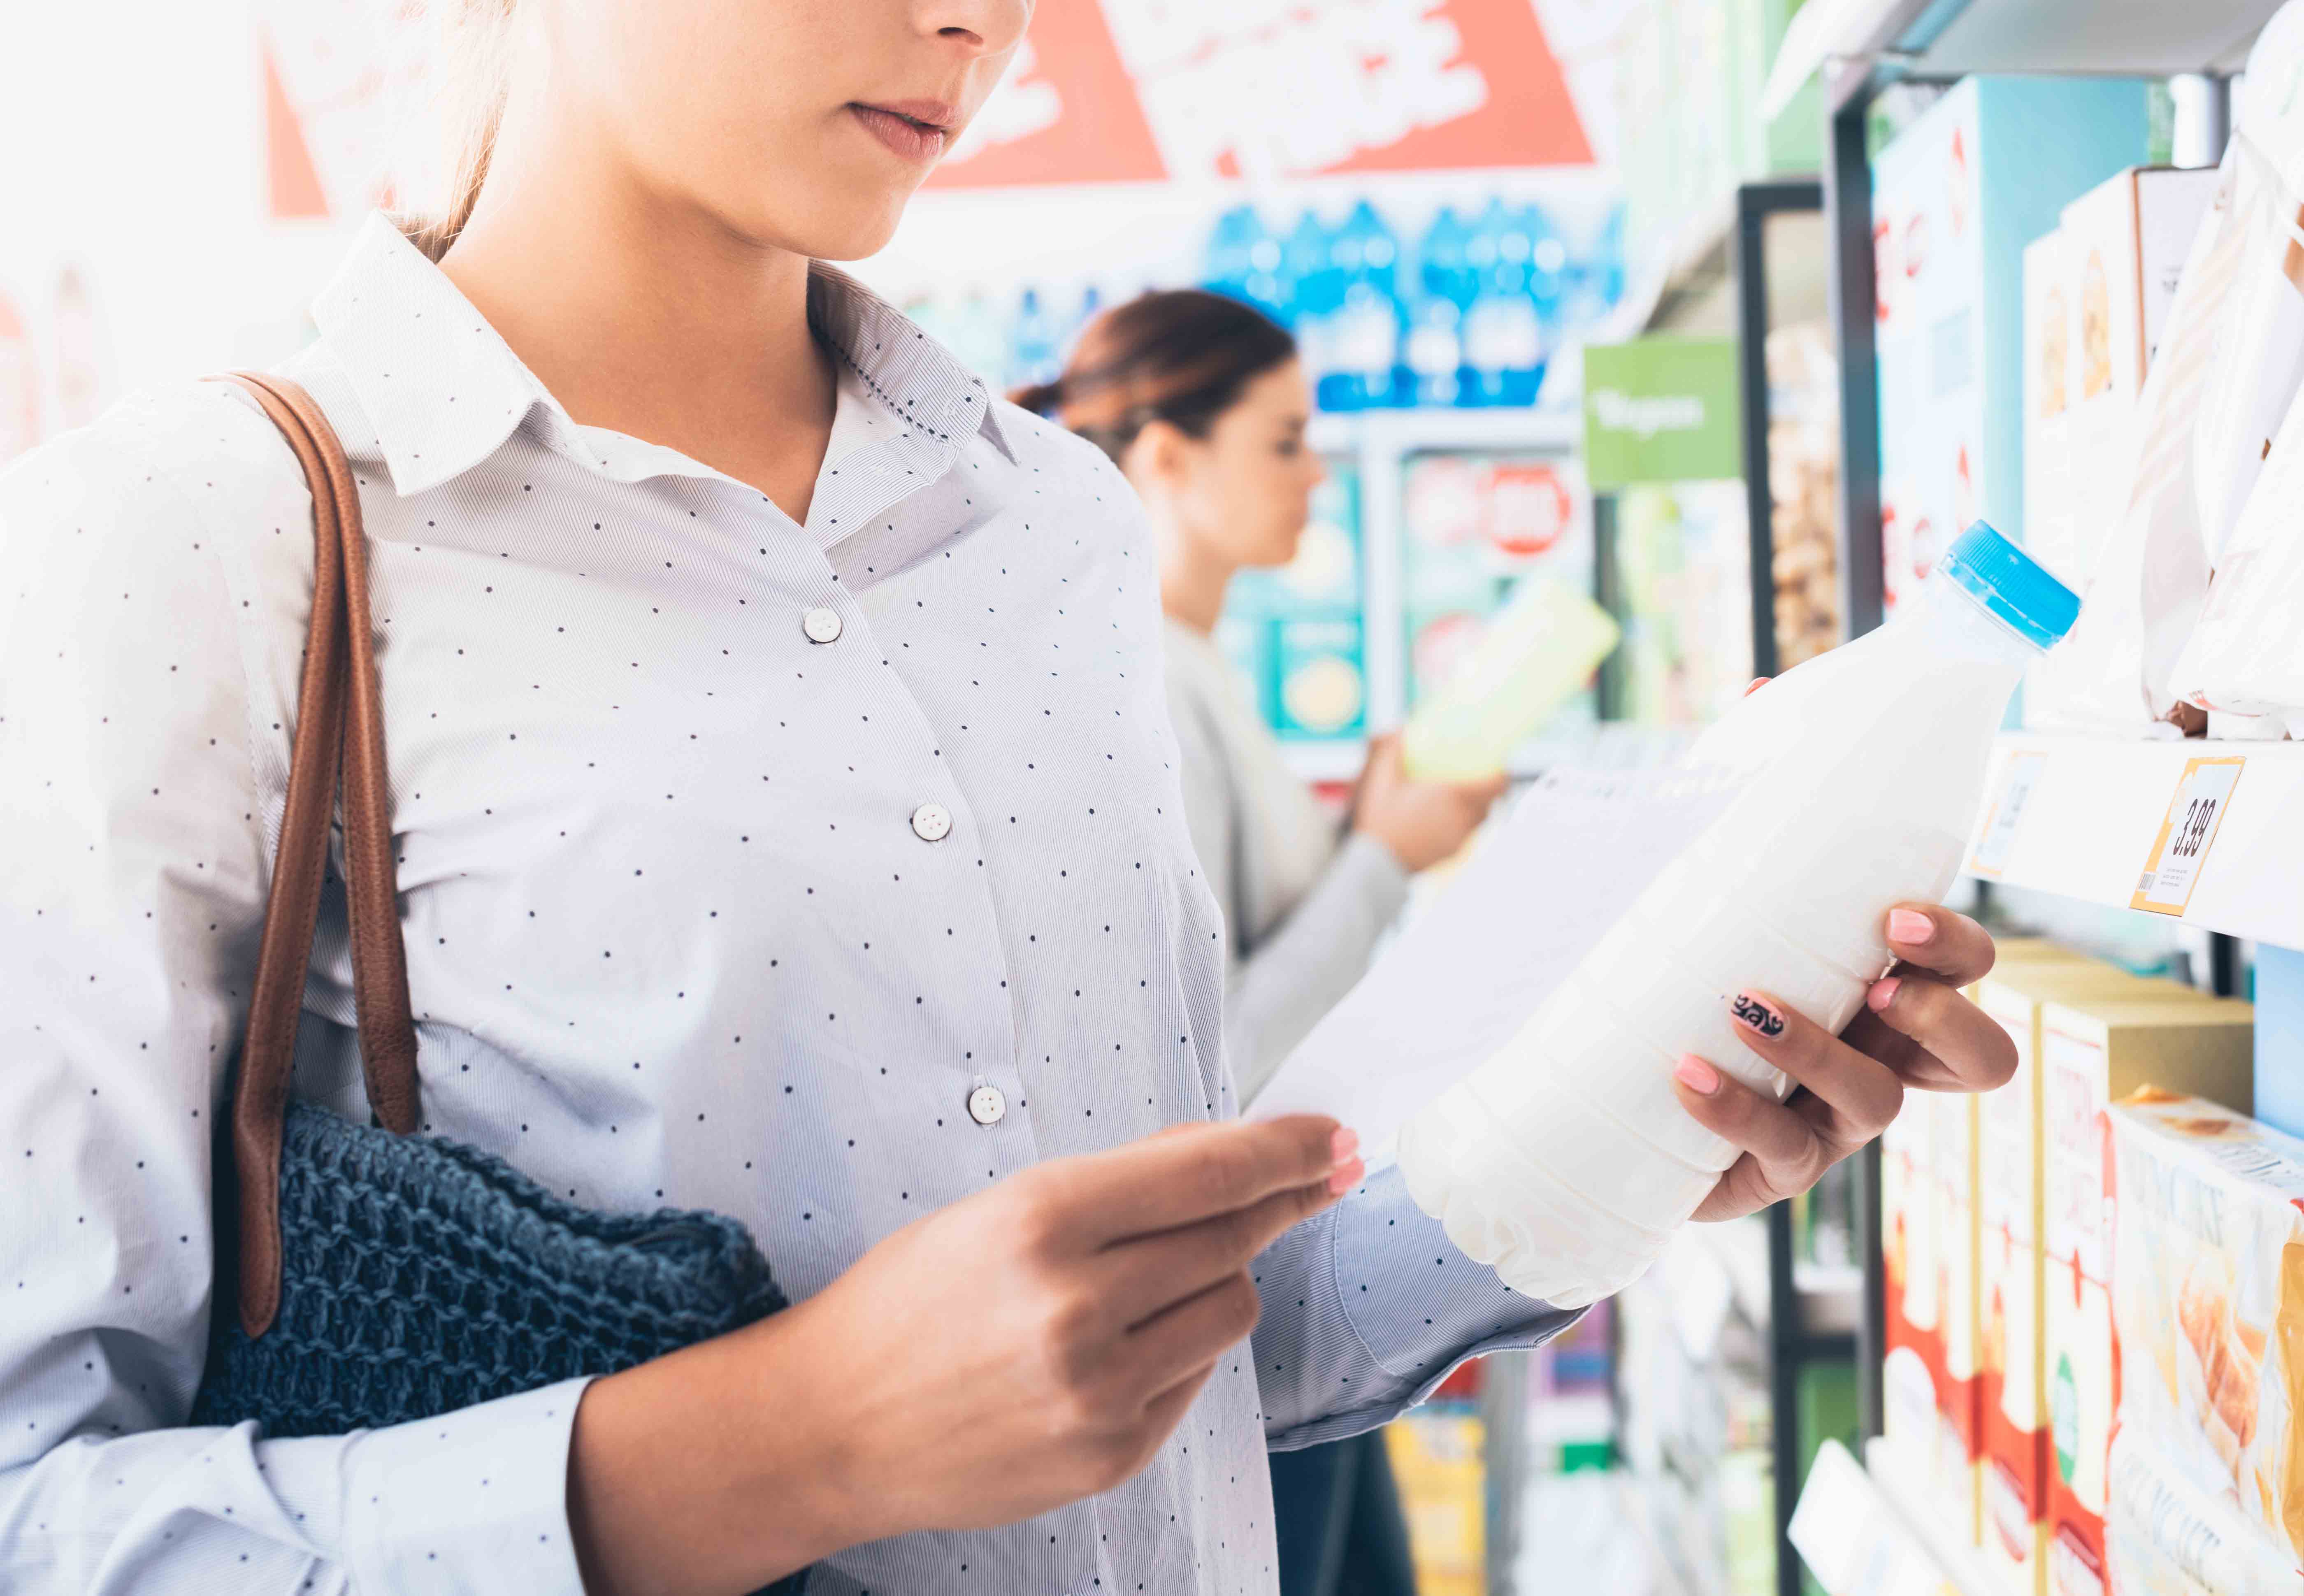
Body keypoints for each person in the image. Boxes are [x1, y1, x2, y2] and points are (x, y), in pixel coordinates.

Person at [0, 4, 2017, 1594]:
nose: (983, 20)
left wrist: (1622, 1141)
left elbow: (1174, 1361)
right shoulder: (199, 535)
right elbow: (39, 1517)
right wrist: (795, 1444)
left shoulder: (1047, 530)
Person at [1017, 289, 1506, 1596]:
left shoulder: (1192, 663)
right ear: (1169, 457)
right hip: (1228, 1307)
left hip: (1273, 1283)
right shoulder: (1148, 681)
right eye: (1284, 439)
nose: (1316, 470)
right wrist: (1382, 858)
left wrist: (1370, 835)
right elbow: (1206, 1051)